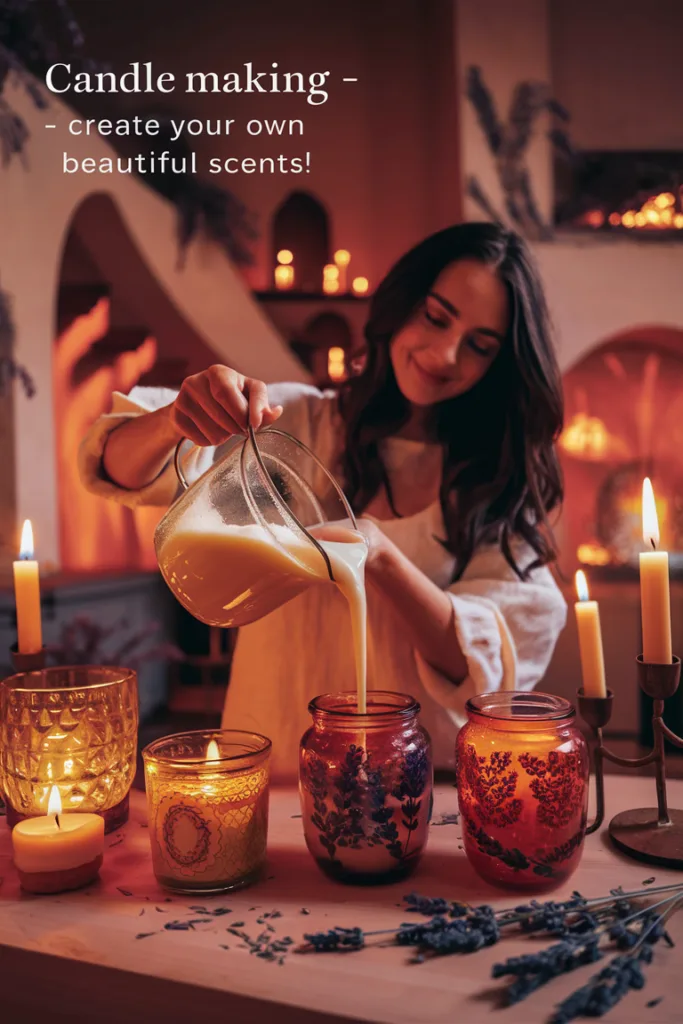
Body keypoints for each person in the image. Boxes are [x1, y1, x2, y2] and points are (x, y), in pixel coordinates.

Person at [79, 222, 567, 780]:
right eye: (435, 317)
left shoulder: (497, 481)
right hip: (271, 763)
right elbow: (117, 465)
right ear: (402, 303)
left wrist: (380, 555)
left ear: (499, 366)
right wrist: (175, 420)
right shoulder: (302, 421)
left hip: (410, 791)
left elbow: (484, 669)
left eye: (479, 347)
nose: (445, 354)